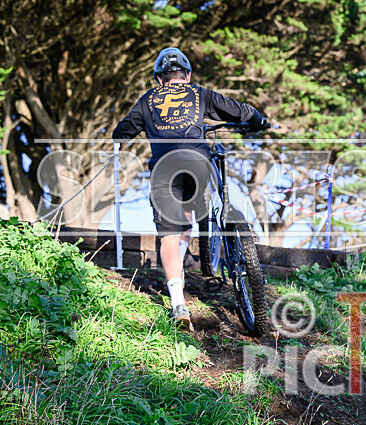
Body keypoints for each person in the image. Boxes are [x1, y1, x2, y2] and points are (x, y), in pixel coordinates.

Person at [113, 47, 268, 331]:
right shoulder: (200, 94)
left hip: (164, 167)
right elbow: (238, 110)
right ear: (186, 75)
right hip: (197, 162)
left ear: (159, 79)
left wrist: (129, 134)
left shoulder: (148, 100)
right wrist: (257, 119)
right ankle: (218, 227)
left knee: (170, 234)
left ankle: (178, 305)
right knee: (196, 211)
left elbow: (122, 131)